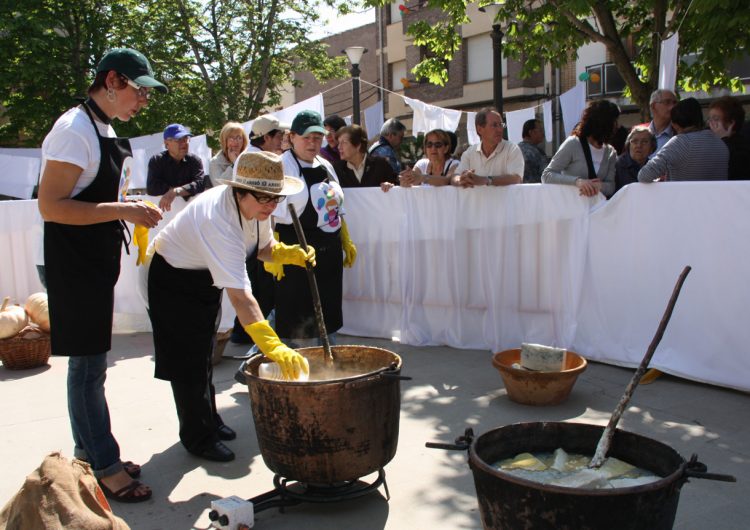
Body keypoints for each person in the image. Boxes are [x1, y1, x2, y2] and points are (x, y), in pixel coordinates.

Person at [37, 47, 165, 503]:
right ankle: (104, 464)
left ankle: (89, 452)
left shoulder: (102, 127)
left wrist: (125, 207)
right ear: (112, 81)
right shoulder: (74, 130)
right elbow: (50, 206)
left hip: (91, 260)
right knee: (87, 369)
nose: (143, 102)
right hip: (72, 264)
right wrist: (122, 209)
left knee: (91, 367)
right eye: (139, 91)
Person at [147, 151, 314, 462]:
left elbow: (263, 247)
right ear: (239, 191)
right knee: (188, 362)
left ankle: (209, 417)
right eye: (264, 198)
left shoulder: (258, 210)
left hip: (203, 277)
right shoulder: (218, 220)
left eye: (275, 198)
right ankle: (198, 437)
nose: (271, 205)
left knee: (204, 352)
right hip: (173, 280)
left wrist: (287, 253)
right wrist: (271, 344)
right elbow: (240, 297)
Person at [273, 110, 355, 347]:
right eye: (307, 137)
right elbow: (265, 213)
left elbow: (336, 206)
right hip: (295, 250)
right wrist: (273, 252)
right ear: (292, 137)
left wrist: (344, 238)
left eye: (318, 137)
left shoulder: (326, 165)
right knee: (294, 312)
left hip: (328, 251)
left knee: (327, 309)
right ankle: (287, 362)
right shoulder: (280, 167)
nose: (313, 143)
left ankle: (327, 361)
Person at [542, 99, 620, 198]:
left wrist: (600, 186)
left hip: (597, 210)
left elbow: (611, 186)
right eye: (613, 121)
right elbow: (547, 175)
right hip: (571, 207)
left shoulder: (610, 152)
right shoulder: (573, 144)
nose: (616, 126)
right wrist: (577, 182)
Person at [638, 98, 729, 183]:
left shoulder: (680, 142)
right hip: (715, 199)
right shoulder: (720, 143)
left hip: (684, 198)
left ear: (674, 124)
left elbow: (644, 175)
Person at [452, 108, 524, 188]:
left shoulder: (512, 149)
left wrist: (486, 180)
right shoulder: (470, 152)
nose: (500, 129)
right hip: (477, 201)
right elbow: (455, 176)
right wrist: (461, 180)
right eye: (494, 125)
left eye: (501, 125)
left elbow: (516, 179)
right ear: (479, 129)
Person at [146, 123, 205, 211]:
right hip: (165, 214)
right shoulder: (157, 161)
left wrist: (176, 191)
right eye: (178, 140)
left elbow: (200, 184)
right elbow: (152, 187)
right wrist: (172, 191)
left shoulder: (195, 161)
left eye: (186, 139)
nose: (184, 143)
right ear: (166, 143)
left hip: (190, 213)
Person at [333, 124, 398, 191]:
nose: (339, 147)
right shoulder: (336, 169)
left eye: (344, 142)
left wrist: (389, 186)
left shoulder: (380, 165)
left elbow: (396, 188)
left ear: (358, 145)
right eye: (339, 143)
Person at [708, 96, 750, 180]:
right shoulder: (710, 142)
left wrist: (724, 139)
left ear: (730, 123)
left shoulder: (742, 147)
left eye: (715, 119)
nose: (710, 123)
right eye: (710, 119)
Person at [614, 126, 656, 192]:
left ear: (652, 148)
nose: (639, 145)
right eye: (634, 141)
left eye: (644, 142)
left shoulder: (654, 167)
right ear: (628, 145)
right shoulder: (617, 166)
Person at [207, 121, 247, 188]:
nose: (235, 141)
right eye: (231, 138)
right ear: (224, 140)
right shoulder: (215, 162)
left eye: (239, 137)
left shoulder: (249, 157)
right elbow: (219, 186)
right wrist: (234, 164)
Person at [518, 119, 548, 183]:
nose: (543, 133)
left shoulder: (515, 149)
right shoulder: (537, 152)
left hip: (518, 190)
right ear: (531, 132)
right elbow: (547, 174)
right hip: (535, 190)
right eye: (540, 130)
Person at [648, 89, 678, 153]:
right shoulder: (639, 134)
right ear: (653, 106)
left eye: (674, 103)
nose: (672, 107)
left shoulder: (680, 134)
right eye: (667, 102)